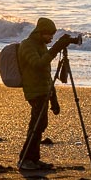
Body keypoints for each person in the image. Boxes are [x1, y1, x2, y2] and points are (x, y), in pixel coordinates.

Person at [17, 17, 74, 171]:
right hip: (34, 91)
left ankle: (34, 159)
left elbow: (47, 75)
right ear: (40, 32)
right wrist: (56, 48)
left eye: (52, 35)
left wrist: (54, 99)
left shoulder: (41, 46)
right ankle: (25, 159)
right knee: (36, 125)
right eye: (49, 35)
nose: (51, 38)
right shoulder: (27, 45)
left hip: (43, 90)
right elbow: (38, 64)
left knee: (40, 125)